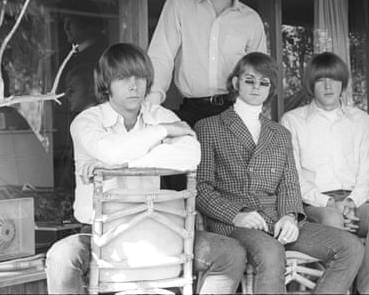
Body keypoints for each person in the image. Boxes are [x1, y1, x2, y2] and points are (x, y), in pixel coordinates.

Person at [45, 43, 247, 294]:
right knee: (61, 258)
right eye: (122, 78)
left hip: (159, 228)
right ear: (106, 83)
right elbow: (111, 151)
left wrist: (120, 165)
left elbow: (191, 155)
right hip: (101, 233)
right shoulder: (87, 121)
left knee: (231, 254)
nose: (134, 86)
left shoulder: (159, 113)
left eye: (140, 77)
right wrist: (162, 133)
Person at [195, 52, 364, 294]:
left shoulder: (279, 133)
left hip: (277, 221)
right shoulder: (209, 127)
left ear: (271, 89)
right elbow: (201, 189)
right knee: (271, 251)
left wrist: (291, 217)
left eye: (263, 83)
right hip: (233, 224)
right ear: (235, 83)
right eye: (249, 80)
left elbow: (289, 185)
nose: (256, 87)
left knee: (351, 246)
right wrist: (236, 215)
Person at [280, 51, 369, 294]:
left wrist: (352, 202)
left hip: (356, 202)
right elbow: (292, 176)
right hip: (314, 204)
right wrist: (330, 203)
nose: (329, 85)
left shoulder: (361, 120)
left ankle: (363, 290)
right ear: (311, 84)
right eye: (321, 80)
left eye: (334, 79)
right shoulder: (293, 121)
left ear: (343, 83)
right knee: (332, 219)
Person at [147, 0, 267, 127]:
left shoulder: (251, 20)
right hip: (192, 112)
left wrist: (256, 116)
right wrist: (150, 107)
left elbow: (260, 73)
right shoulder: (179, 4)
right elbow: (161, 56)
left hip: (236, 111)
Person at [54, 0, 109, 189]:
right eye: (64, 22)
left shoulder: (102, 56)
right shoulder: (70, 55)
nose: (66, 27)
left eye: (72, 21)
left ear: (88, 24)